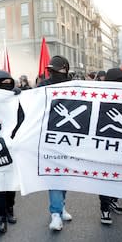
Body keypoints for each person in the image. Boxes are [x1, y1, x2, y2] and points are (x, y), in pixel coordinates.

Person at [38, 55, 73, 231]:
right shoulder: (42, 85)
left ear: (66, 69)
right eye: (51, 70)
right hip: (49, 138)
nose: (53, 73)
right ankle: (55, 214)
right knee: (55, 176)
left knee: (65, 176)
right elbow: (31, 105)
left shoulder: (75, 86)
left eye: (57, 70)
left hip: (70, 138)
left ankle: (61, 206)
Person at [0, 71, 20, 233]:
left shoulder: (17, 100)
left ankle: (10, 209)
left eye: (9, 82)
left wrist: (22, 98)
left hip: (14, 149)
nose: (6, 85)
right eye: (3, 83)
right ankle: (1, 217)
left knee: (11, 183)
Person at [98, 67, 122, 225]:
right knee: (104, 178)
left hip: (121, 147)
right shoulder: (100, 97)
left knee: (117, 177)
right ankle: (104, 208)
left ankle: (113, 200)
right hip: (104, 147)